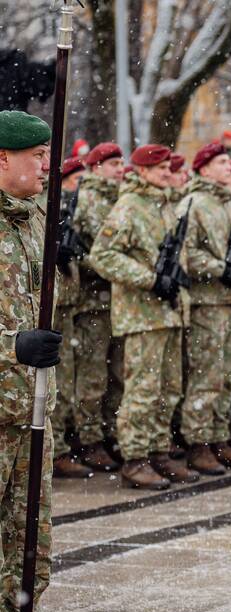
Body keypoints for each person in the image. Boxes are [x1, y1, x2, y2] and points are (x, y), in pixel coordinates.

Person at [0, 109, 94, 612]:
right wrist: (9, 346)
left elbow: (53, 301)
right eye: (36, 157)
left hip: (31, 412)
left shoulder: (34, 218)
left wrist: (71, 259)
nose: (46, 167)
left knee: (28, 546)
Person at [90, 144, 198, 490]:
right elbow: (102, 255)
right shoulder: (130, 206)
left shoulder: (163, 204)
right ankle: (135, 459)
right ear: (142, 172)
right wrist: (149, 279)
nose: (168, 172)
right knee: (142, 389)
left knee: (169, 387)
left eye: (169, 166)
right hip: (143, 314)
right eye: (161, 167)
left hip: (168, 312)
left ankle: (158, 450)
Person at [176, 141, 231, 473]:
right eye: (222, 162)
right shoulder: (194, 203)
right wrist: (221, 268)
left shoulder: (228, 205)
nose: (228, 166)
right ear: (205, 169)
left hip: (229, 301)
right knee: (206, 375)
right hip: (207, 301)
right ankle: (198, 442)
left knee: (227, 373)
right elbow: (187, 254)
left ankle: (219, 436)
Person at [70, 141, 126, 473]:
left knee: (116, 374)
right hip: (94, 299)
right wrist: (114, 267)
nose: (120, 169)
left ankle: (109, 432)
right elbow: (85, 253)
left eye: (121, 164)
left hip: (116, 300)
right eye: (113, 164)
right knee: (92, 374)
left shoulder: (117, 199)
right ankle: (88, 438)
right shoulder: (90, 199)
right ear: (97, 167)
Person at [53, 158, 92, 478]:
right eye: (76, 178)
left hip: (68, 302)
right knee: (57, 379)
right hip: (51, 306)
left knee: (67, 379)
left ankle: (63, 444)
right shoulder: (47, 205)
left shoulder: (67, 208)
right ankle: (57, 448)